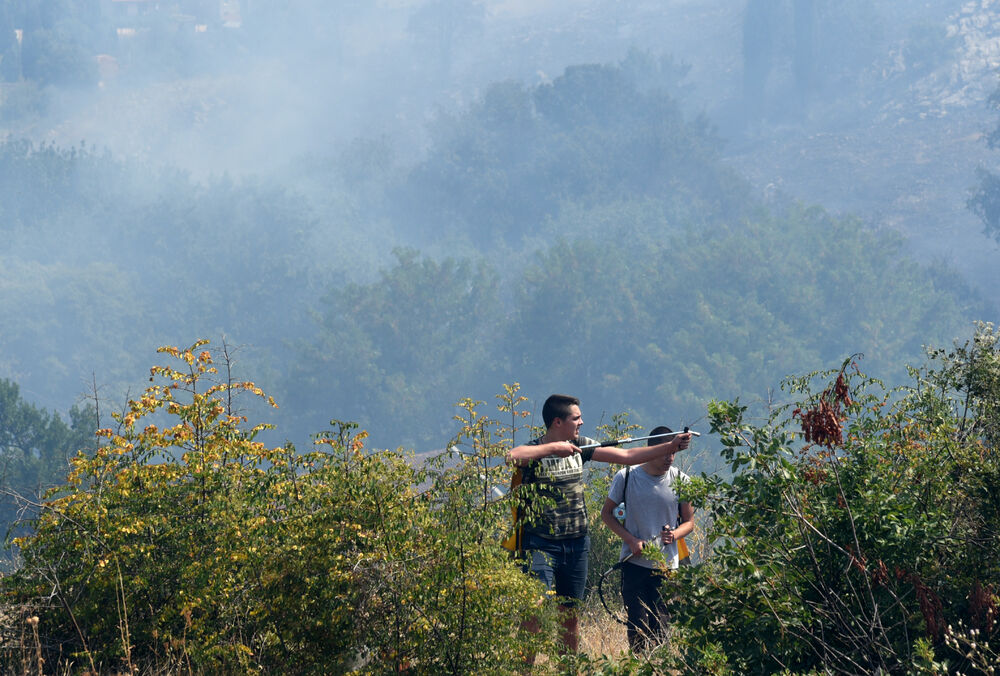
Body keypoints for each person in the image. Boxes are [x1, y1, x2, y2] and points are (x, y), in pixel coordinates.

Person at [507, 395, 691, 654]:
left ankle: (568, 668)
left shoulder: (580, 446)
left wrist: (670, 447)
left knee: (569, 617)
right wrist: (554, 449)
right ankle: (523, 670)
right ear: (558, 422)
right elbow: (512, 456)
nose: (581, 422)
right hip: (539, 544)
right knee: (534, 612)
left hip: (576, 545)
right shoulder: (535, 449)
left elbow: (628, 456)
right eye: (576, 418)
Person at [600, 425, 694, 652]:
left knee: (661, 627)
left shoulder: (681, 480)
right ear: (651, 450)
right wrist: (631, 540)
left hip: (666, 566)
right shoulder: (627, 476)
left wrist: (674, 534)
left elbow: (689, 523)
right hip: (634, 563)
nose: (670, 458)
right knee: (638, 627)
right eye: (665, 452)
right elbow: (607, 514)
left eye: (673, 453)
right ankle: (638, 664)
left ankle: (659, 665)